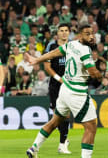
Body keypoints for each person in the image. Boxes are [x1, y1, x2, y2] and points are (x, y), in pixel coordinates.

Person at [26, 24, 103, 158]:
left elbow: (54, 53)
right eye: (87, 34)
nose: (91, 37)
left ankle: (34, 147)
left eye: (92, 34)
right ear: (80, 35)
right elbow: (93, 72)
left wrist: (37, 59)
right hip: (76, 92)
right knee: (91, 127)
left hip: (64, 90)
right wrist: (102, 75)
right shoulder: (85, 50)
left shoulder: (71, 45)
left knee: (54, 121)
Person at [43, 23, 71, 154]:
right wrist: (59, 79)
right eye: (61, 31)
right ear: (57, 33)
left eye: (66, 31)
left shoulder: (72, 47)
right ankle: (64, 139)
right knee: (57, 116)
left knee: (65, 115)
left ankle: (62, 144)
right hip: (55, 85)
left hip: (69, 86)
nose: (64, 33)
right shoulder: (51, 46)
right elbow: (47, 67)